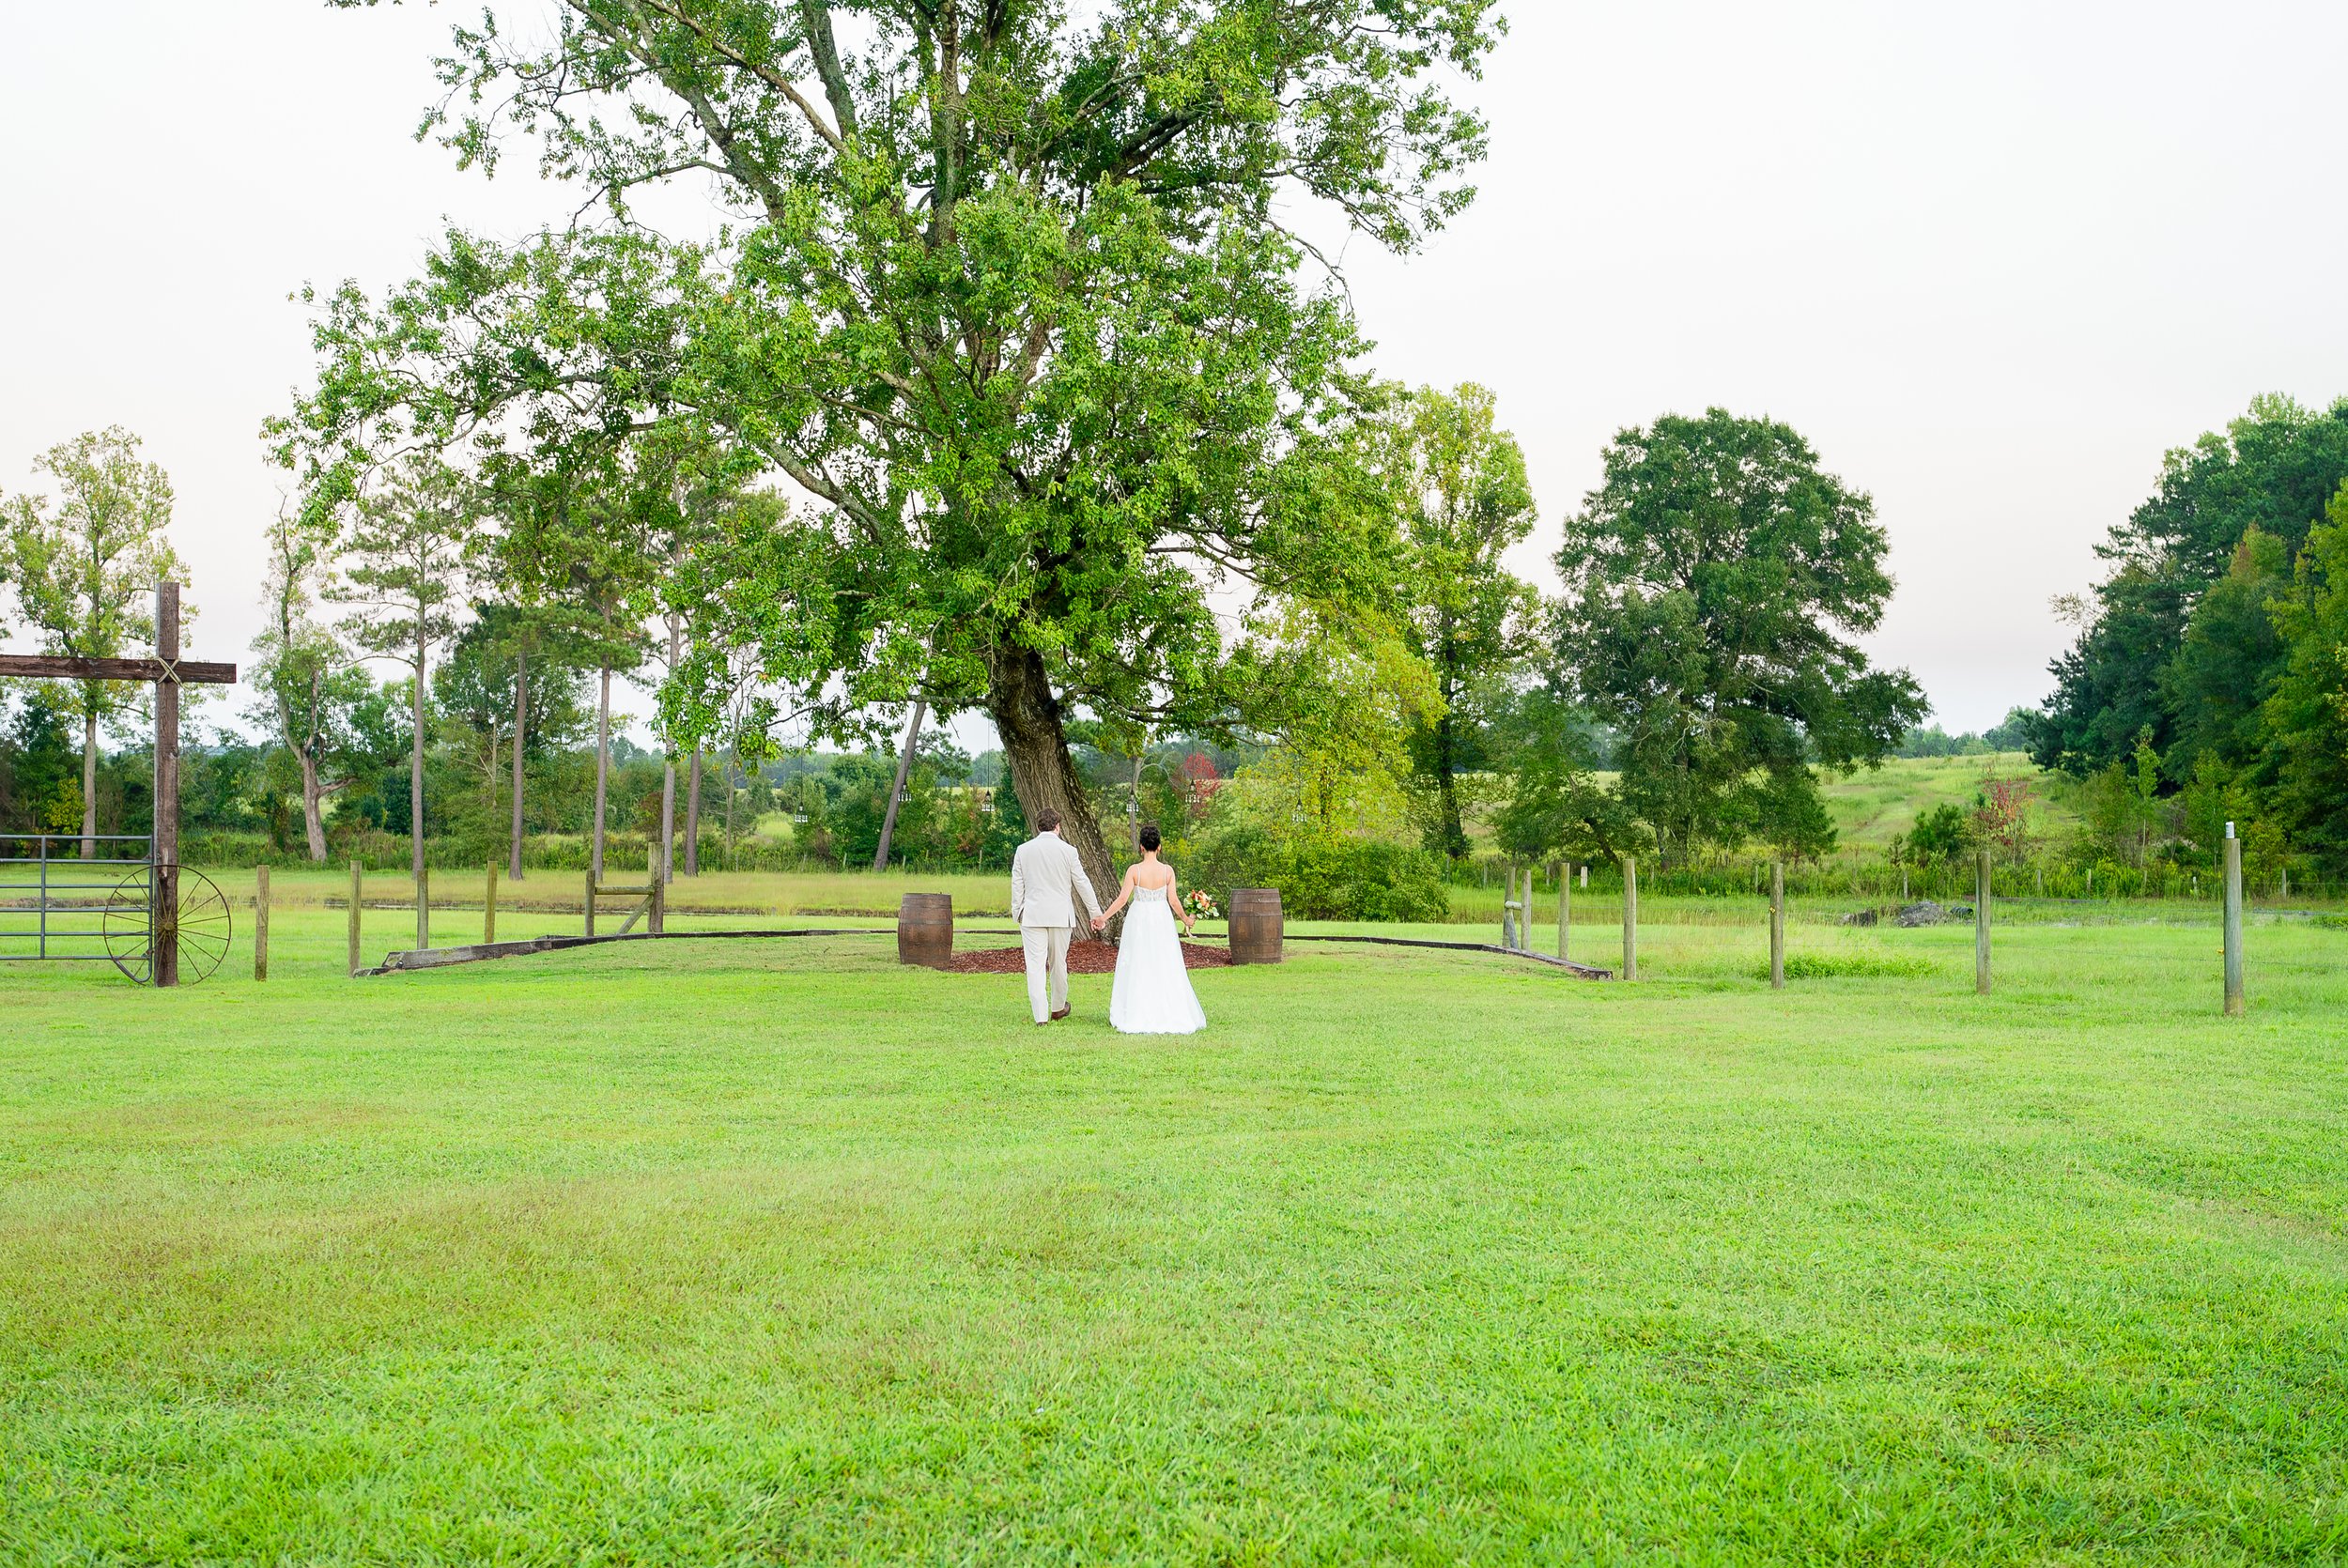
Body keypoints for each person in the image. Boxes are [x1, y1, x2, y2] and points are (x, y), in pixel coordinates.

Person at [1092, 822, 1209, 1036]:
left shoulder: (1134, 870)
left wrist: (1103, 918)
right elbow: (1173, 900)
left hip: (1139, 919)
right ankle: (1167, 1009)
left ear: (1141, 847)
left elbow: (1121, 899)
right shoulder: (1167, 871)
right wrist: (1185, 919)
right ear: (1160, 847)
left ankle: (1136, 1009)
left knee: (1139, 960)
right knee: (1164, 960)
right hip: (1162, 919)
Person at [1009, 806, 1104, 1025]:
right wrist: (1095, 913)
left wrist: (1018, 912)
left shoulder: (1023, 850)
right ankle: (1058, 1007)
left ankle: (1040, 1017)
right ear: (1058, 827)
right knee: (1058, 963)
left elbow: (1017, 884)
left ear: (1038, 827)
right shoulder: (1068, 851)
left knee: (1035, 965)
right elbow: (1082, 883)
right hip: (1061, 916)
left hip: (1032, 915)